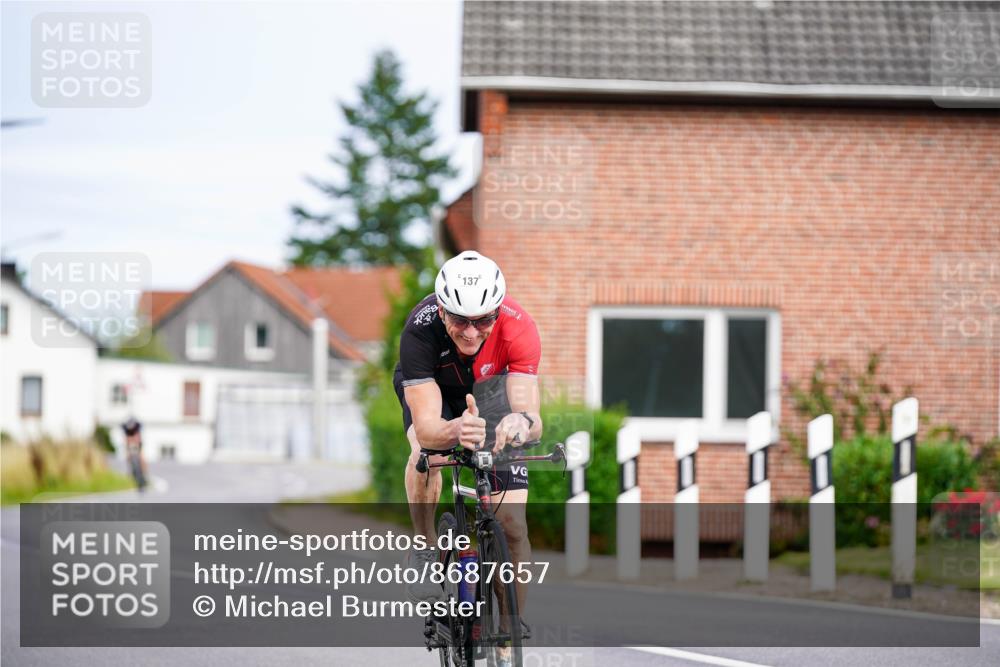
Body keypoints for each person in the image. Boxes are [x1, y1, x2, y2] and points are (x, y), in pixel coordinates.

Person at [394, 251, 543, 619]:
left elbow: (531, 416)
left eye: (483, 320)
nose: (472, 331)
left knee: (513, 527)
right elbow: (428, 428)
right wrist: (454, 428)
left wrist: (519, 423)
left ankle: (508, 640)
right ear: (442, 312)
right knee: (426, 453)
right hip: (436, 391)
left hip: (492, 392)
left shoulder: (519, 326)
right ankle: (426, 546)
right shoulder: (419, 330)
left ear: (497, 311)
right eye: (460, 320)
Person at [122, 416, 148, 490]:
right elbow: (126, 440)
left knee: (141, 457)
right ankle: (131, 472)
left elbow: (138, 439)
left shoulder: (138, 427)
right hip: (130, 443)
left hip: (137, 442)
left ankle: (144, 473)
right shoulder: (125, 428)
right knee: (129, 457)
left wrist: (139, 451)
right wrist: (128, 453)